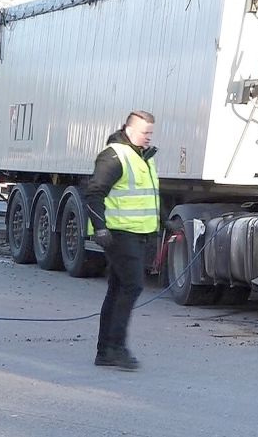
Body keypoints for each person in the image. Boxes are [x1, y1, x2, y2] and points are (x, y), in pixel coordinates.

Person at [85, 111, 160, 371]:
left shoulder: (142, 157)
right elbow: (94, 193)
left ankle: (105, 351)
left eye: (150, 133)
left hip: (137, 233)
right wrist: (100, 228)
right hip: (118, 233)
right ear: (129, 130)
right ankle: (116, 348)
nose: (148, 137)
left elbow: (143, 198)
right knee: (133, 286)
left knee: (118, 288)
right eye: (143, 132)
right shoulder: (115, 156)